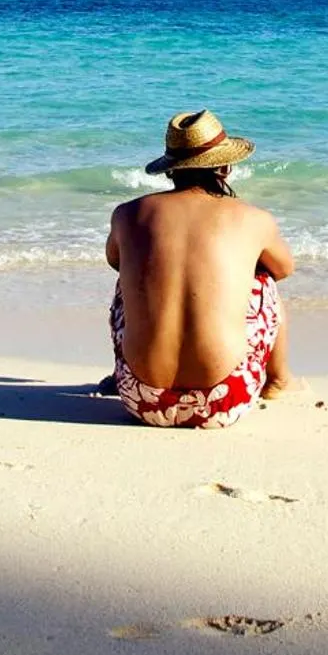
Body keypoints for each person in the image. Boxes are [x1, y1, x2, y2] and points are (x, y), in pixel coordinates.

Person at [103, 109, 298, 429]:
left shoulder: (127, 213)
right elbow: (284, 269)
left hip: (140, 400)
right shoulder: (252, 218)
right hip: (224, 400)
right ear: (224, 166)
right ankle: (278, 381)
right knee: (263, 278)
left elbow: (115, 261)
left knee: (127, 282)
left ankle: (119, 374)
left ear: (170, 169)